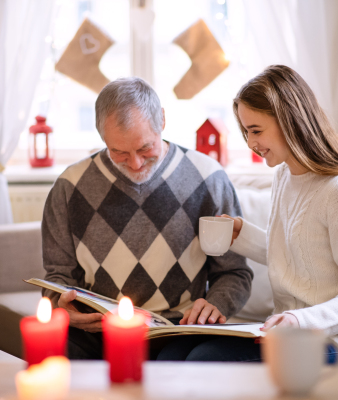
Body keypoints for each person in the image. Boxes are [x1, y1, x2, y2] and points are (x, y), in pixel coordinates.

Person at [171, 65, 338, 367]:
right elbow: (300, 256)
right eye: (246, 132)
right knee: (172, 354)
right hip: (291, 334)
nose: (250, 143)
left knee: (203, 361)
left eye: (256, 130)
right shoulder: (285, 176)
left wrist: (298, 320)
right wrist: (241, 235)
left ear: (290, 120)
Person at [41, 77, 253, 359]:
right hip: (98, 332)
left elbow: (235, 272)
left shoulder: (209, 178)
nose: (135, 163)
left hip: (180, 330)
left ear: (162, 120)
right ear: (102, 136)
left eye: (144, 148)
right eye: (118, 151)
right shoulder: (69, 187)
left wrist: (216, 304)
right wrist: (61, 307)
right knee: (55, 351)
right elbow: (57, 278)